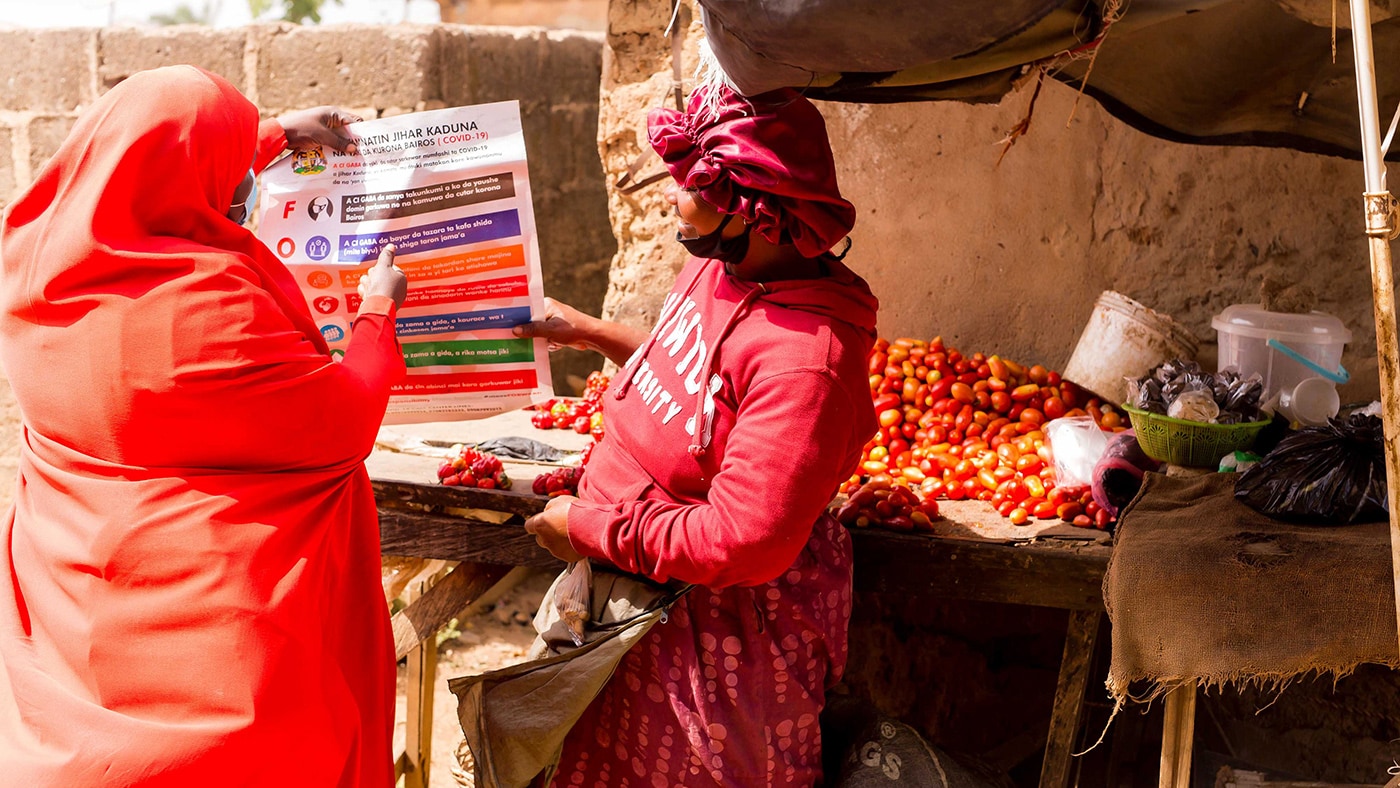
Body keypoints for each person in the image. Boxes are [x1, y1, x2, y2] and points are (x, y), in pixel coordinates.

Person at [0, 66, 408, 786]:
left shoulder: (35, 267)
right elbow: (344, 421)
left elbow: (154, 161)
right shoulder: (211, 305)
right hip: (216, 660)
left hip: (78, 616)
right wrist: (379, 314)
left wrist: (272, 138)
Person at [516, 77, 878, 787]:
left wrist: (590, 530)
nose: (670, 197)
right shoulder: (730, 267)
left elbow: (741, 540)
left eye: (688, 186)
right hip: (643, 618)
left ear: (753, 211)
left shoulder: (810, 361)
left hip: (716, 655)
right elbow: (704, 377)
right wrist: (591, 334)